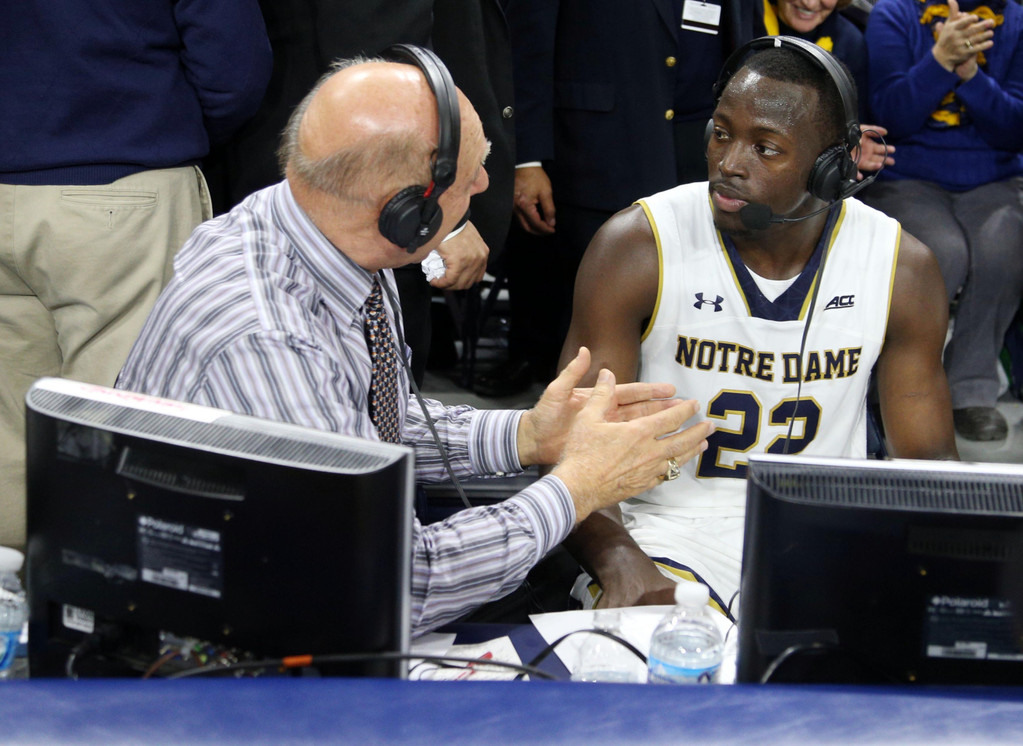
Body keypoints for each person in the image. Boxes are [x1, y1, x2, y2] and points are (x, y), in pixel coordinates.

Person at [114, 54, 715, 636]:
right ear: (407, 210)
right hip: (257, 639)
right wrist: (577, 488)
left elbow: (368, 424)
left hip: (318, 577)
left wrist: (529, 435)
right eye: (471, 171)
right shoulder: (269, 340)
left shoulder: (319, 232)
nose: (484, 183)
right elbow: (387, 588)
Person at [556, 38, 959, 614]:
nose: (729, 163)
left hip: (825, 535)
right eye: (721, 133)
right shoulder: (638, 245)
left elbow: (927, 462)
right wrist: (623, 567)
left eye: (765, 148)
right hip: (664, 534)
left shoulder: (901, 267)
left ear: (833, 167)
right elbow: (570, 442)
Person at [0, 2, 273, 551]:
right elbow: (233, 66)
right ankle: (96, 593)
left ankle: (17, 594)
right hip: (124, 179)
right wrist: (159, 122)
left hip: (19, 179)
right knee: (124, 425)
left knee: (9, 433)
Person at [201, 0, 514, 388]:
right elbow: (379, 79)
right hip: (378, 192)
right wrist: (447, 215)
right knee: (350, 397)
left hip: (333, 178)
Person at [473, 0, 757, 397]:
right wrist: (528, 158)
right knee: (576, 283)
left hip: (701, 149)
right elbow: (528, 46)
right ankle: (545, 369)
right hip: (596, 145)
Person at [859, 0, 1023, 442]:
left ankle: (971, 390)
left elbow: (1015, 130)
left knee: (1006, 247)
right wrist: (940, 61)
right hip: (907, 176)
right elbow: (889, 118)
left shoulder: (1017, 21)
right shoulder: (894, 13)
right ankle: (890, 387)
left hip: (994, 178)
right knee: (939, 252)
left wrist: (970, 75)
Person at [756, 0, 896, 177]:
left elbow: (851, 128)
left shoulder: (851, 43)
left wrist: (842, 147)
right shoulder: (743, 23)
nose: (810, 3)